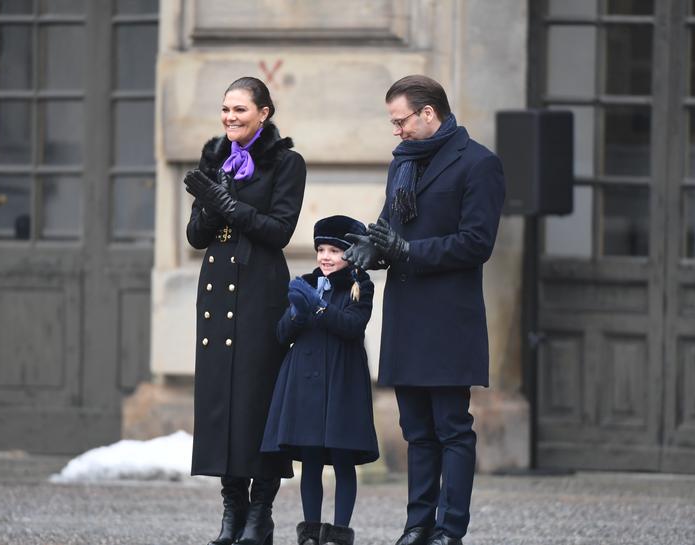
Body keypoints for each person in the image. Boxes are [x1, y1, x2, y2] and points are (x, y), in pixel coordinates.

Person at [343, 75, 505, 545]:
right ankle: (417, 525)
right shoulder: (402, 165)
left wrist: (408, 251)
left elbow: (477, 243)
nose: (396, 130)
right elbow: (389, 228)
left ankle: (449, 530)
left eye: (401, 121)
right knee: (416, 429)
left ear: (428, 113)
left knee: (452, 428)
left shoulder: (479, 164)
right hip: (407, 315)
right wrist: (370, 250)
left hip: (449, 318)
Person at [183, 76, 306, 545]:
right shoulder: (215, 157)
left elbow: (279, 231)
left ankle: (260, 514)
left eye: (240, 109)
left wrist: (224, 201)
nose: (230, 118)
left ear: (264, 113)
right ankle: (231, 511)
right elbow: (196, 236)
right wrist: (214, 201)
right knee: (220, 405)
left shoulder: (286, 162)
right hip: (216, 295)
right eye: (225, 109)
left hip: (259, 292)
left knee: (257, 404)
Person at [261, 215, 378, 545]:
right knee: (310, 457)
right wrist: (298, 313)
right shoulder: (305, 284)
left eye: (334, 250)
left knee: (342, 456)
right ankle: (310, 531)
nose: (325, 256)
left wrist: (320, 308)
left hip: (342, 380)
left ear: (351, 254)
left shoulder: (359, 285)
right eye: (320, 249)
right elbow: (282, 334)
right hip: (306, 381)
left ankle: (339, 532)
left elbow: (352, 326)